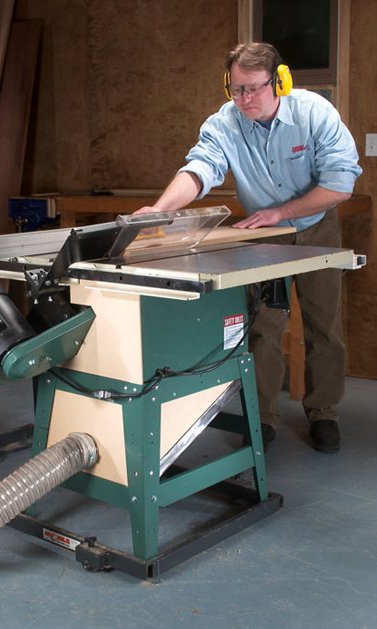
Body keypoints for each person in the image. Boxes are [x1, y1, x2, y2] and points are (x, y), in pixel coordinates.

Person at [136, 42, 362, 453]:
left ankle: (324, 412)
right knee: (263, 327)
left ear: (280, 81)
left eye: (254, 88)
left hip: (315, 228)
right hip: (266, 237)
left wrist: (282, 212)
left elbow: (340, 185)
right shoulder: (224, 123)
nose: (244, 100)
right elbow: (200, 168)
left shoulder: (315, 114)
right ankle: (262, 418)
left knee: (323, 324)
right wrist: (160, 209)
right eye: (236, 89)